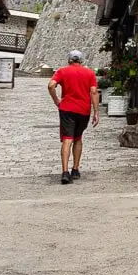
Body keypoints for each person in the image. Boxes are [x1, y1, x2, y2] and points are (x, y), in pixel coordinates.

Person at [48, 50, 99, 185]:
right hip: (83, 110)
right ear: (81, 61)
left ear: (69, 60)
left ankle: (65, 172)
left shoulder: (62, 71)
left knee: (67, 139)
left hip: (67, 108)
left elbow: (51, 85)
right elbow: (93, 92)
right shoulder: (89, 73)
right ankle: (75, 169)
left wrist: (56, 100)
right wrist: (96, 112)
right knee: (78, 138)